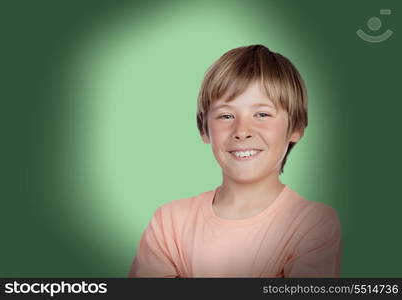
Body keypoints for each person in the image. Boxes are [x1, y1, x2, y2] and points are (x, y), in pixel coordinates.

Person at [128, 45, 341, 277]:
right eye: (226, 115)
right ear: (204, 129)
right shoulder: (169, 223)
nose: (242, 131)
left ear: (296, 128)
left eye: (262, 114)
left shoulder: (313, 224)